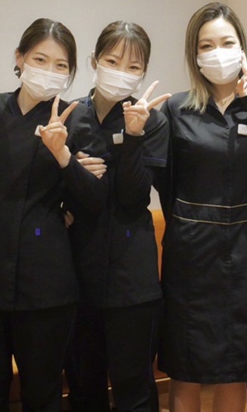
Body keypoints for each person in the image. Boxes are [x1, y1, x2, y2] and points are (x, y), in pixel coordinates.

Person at [0, 18, 109, 412]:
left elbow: (93, 201)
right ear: (19, 58)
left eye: (61, 65)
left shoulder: (76, 119)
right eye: (40, 59)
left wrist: (64, 156)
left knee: (42, 395)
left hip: (45, 287)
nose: (50, 70)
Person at [156, 2, 247, 412]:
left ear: (242, 47)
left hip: (245, 252)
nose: (217, 52)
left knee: (235, 365)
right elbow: (165, 183)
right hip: (191, 253)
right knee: (185, 365)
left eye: (226, 42)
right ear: (194, 54)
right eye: (206, 45)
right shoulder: (177, 108)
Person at [66, 21, 170, 412]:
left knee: (134, 387)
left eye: (133, 66)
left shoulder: (152, 120)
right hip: (77, 273)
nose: (121, 72)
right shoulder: (70, 115)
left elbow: (133, 197)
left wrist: (133, 137)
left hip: (132, 278)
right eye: (112, 61)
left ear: (143, 73)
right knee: (83, 385)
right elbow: (52, 189)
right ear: (95, 61)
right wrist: (72, 172)